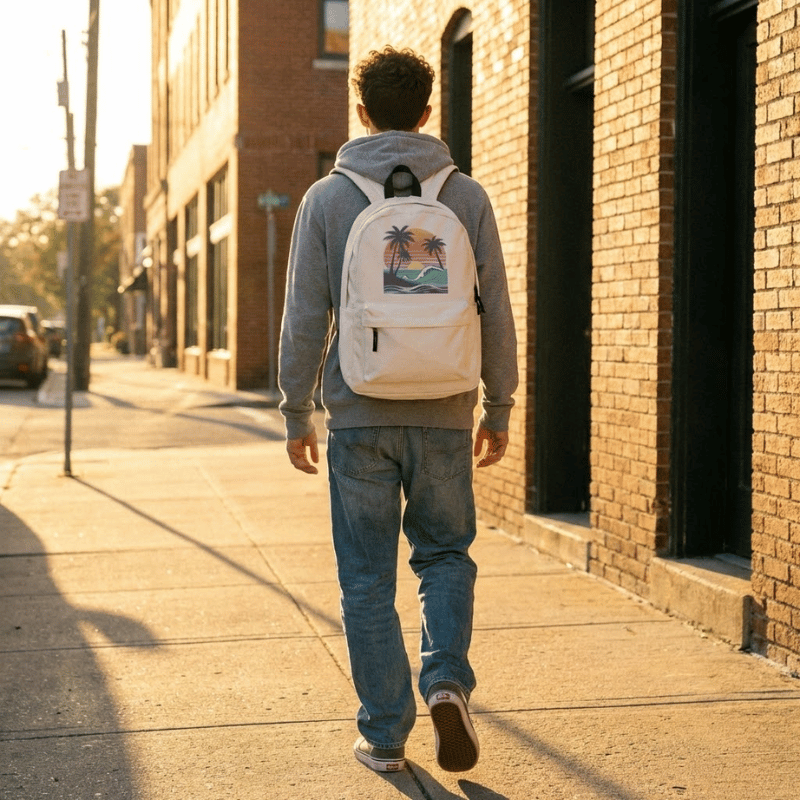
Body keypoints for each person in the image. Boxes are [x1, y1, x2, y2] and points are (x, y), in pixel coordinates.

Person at [278, 45, 518, 774]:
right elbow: (497, 308)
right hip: (445, 409)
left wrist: (297, 410)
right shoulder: (465, 196)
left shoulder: (328, 197)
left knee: (365, 577)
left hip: (359, 414)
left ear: (360, 111)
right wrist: (499, 403)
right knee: (445, 553)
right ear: (425, 112)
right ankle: (445, 680)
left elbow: (304, 315)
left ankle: (385, 732)